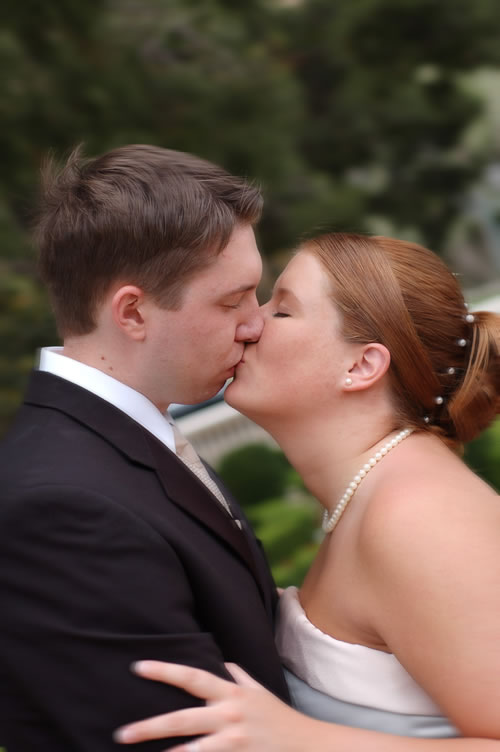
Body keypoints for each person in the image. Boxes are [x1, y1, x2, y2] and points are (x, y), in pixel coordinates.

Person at [114, 232, 500, 750]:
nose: (249, 324)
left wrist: (301, 738)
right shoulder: (377, 500)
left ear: (361, 366)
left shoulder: (418, 518)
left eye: (282, 310)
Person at [0, 144, 291, 751]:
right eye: (231, 300)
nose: (255, 323)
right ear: (133, 312)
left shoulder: (128, 439)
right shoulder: (61, 507)